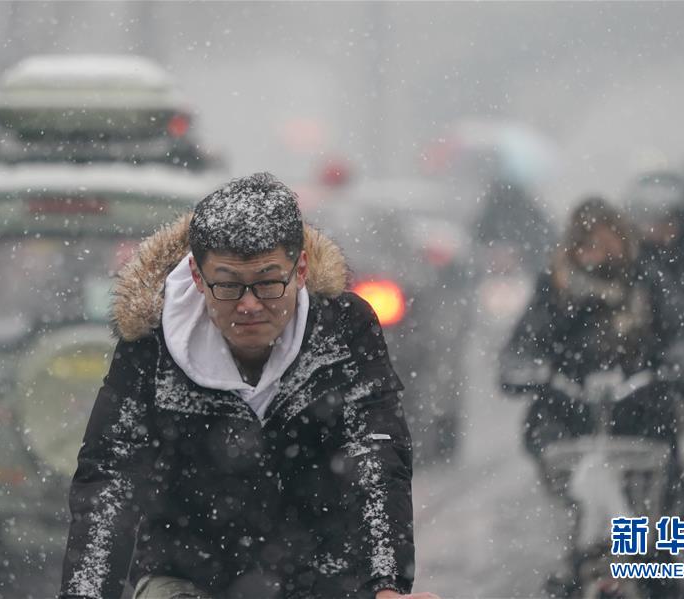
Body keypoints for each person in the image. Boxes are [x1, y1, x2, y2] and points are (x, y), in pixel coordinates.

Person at [58, 173, 438, 599]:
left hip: (325, 575)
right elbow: (111, 476)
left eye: (268, 282)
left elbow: (375, 452)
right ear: (197, 277)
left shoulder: (344, 328)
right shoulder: (153, 345)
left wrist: (384, 583)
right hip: (189, 577)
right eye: (228, 285)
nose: (250, 304)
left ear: (301, 270)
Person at [499, 197, 684, 597]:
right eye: (586, 243)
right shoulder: (554, 290)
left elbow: (683, 343)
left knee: (664, 511)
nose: (596, 253)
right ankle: (581, 553)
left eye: (606, 242)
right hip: (567, 423)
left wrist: (665, 371)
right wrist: (544, 375)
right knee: (570, 502)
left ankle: (651, 557)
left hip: (641, 420)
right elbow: (519, 352)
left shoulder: (647, 284)